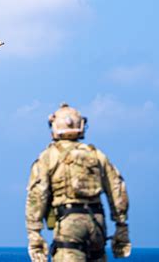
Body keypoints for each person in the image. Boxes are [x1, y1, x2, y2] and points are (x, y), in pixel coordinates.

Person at [26, 103, 132, 262]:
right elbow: (117, 190)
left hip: (68, 223)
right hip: (97, 223)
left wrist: (34, 234)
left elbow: (37, 195)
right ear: (81, 125)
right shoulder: (96, 155)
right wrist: (121, 226)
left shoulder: (48, 156)